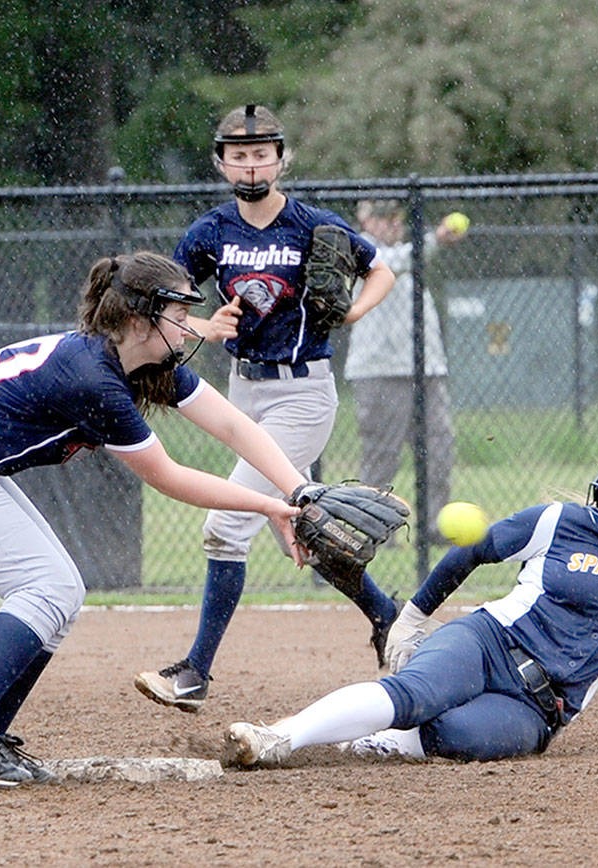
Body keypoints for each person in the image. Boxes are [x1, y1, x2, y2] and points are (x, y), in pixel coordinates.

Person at [0, 251, 314, 788]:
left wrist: (300, 490)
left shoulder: (134, 362)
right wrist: (268, 504)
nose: (188, 322)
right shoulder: (93, 378)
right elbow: (167, 476)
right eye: (175, 311)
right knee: (46, 586)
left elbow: (236, 427)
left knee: (63, 591)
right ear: (137, 319)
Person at [225, 432, 598, 767]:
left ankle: (372, 738)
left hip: (541, 708)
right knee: (416, 692)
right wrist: (413, 616)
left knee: (459, 737)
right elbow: (471, 552)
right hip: (488, 641)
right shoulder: (559, 521)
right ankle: (279, 736)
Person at [134, 104, 399, 713]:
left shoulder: (312, 225)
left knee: (225, 527)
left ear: (282, 159)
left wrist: (355, 312)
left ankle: (195, 672)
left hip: (303, 392)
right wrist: (206, 324)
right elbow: (166, 301)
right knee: (301, 529)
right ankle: (389, 617)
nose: (250, 163)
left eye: (262, 153)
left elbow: (377, 269)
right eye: (239, 153)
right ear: (220, 162)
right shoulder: (209, 233)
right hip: (244, 389)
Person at [343, 202, 466, 531]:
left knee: (439, 447)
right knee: (382, 455)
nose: (393, 224)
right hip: (379, 370)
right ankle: (373, 525)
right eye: (384, 218)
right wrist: (436, 238)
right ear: (365, 219)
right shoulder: (361, 251)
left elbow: (408, 257)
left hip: (426, 369)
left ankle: (434, 526)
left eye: (396, 217)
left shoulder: (409, 254)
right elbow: (394, 261)